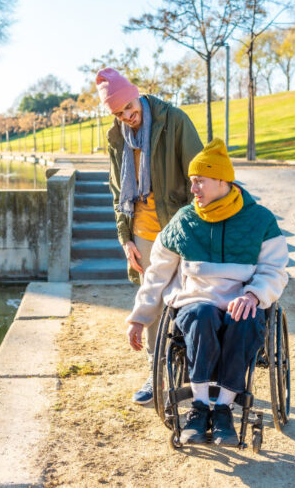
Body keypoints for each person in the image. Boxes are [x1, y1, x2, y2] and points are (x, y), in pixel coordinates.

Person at [125, 139, 289, 446]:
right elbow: (156, 275)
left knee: (246, 319)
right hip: (196, 300)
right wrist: (139, 318)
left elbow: (275, 270)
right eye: (191, 182)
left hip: (243, 299)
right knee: (200, 315)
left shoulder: (260, 220)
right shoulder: (184, 221)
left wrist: (253, 295)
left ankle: (224, 408)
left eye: (199, 181)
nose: (193, 189)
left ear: (222, 181)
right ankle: (200, 407)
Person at [96, 67, 204, 405]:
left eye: (130, 107)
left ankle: (191, 371)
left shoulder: (174, 121)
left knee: (189, 297)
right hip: (142, 231)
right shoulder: (117, 138)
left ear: (137, 94)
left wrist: (195, 225)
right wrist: (124, 237)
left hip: (178, 226)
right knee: (152, 300)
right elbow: (118, 192)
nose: (128, 116)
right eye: (118, 112)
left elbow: (198, 174)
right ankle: (157, 373)